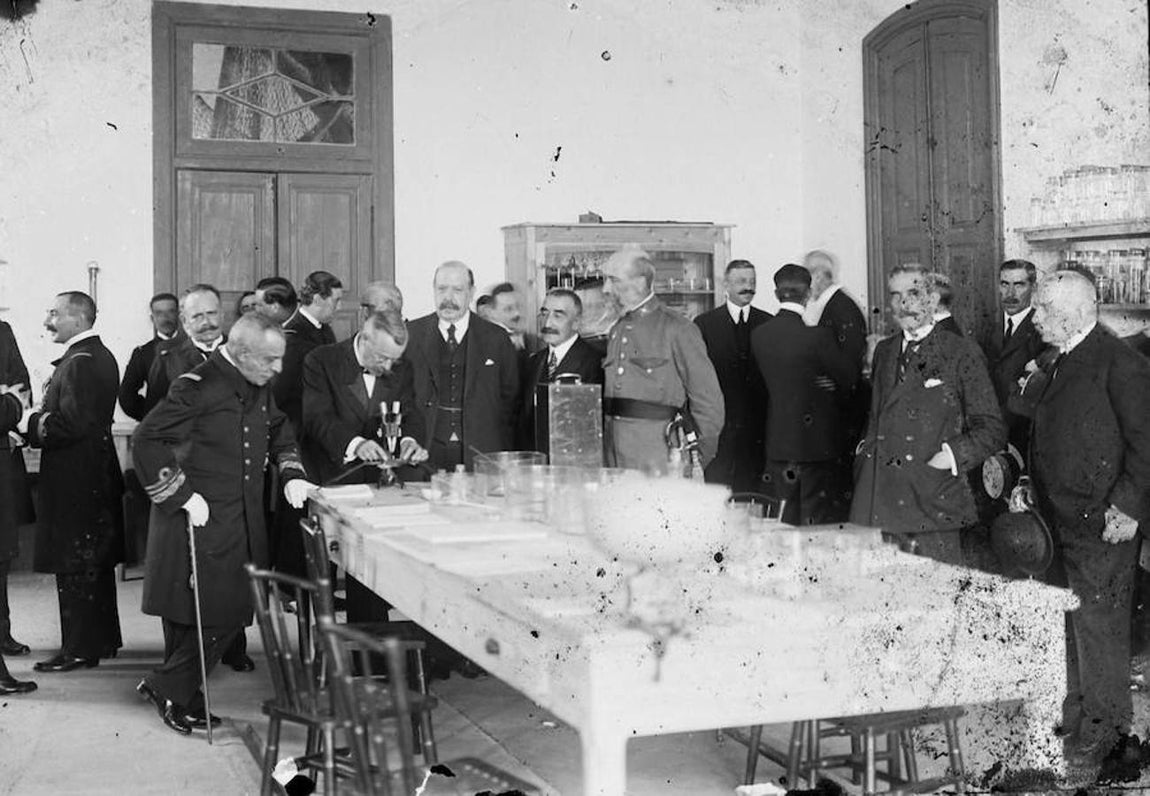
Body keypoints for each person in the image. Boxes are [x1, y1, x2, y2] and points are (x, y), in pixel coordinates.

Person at [132, 313, 315, 735]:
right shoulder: (196, 386)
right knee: (207, 613)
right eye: (270, 359)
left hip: (240, 518)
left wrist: (292, 473)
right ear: (243, 353)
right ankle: (171, 689)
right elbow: (147, 439)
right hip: (199, 518)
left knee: (226, 611)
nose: (278, 368)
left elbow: (279, 428)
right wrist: (180, 494)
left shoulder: (257, 384)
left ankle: (177, 691)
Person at [1026, 270, 1150, 769]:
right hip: (1061, 517)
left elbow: (1147, 444)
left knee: (1100, 630)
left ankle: (1107, 732)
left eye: (1042, 310)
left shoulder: (1120, 362)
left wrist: (1127, 507)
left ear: (1075, 313)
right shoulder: (1064, 358)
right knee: (1074, 626)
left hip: (1102, 522)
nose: (1034, 319)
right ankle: (1080, 718)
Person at [849, 263, 1004, 563]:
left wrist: (948, 457)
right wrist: (864, 454)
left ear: (933, 300)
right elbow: (877, 416)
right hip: (880, 497)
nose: (903, 304)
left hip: (932, 501)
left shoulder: (961, 352)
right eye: (895, 295)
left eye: (913, 293)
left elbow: (992, 429)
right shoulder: (885, 351)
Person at [19, 292, 124, 671]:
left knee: (75, 564)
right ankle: (100, 641)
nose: (49, 320)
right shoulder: (95, 356)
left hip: (76, 481)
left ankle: (79, 648)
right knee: (92, 566)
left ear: (78, 319)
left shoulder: (79, 362)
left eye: (55, 313)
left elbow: (68, 425)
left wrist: (26, 421)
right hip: (90, 476)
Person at [600, 248, 724, 474]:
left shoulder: (677, 329)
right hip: (613, 457)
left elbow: (709, 403)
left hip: (660, 459)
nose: (605, 289)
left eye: (614, 281)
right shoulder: (617, 330)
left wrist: (694, 458)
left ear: (639, 282)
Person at [753, 264, 857, 524]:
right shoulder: (817, 337)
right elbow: (848, 379)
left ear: (777, 293)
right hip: (815, 445)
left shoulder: (759, 334)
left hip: (777, 442)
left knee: (782, 520)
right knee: (814, 523)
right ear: (809, 293)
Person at [406, 261, 520, 471]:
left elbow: (510, 398)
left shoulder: (496, 338)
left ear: (471, 292)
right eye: (441, 289)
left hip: (480, 452)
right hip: (424, 452)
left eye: (457, 290)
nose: (448, 298)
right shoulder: (412, 334)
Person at [693, 260, 771, 491]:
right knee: (717, 497)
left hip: (757, 433)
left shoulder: (768, 323)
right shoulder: (704, 325)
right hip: (719, 431)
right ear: (725, 284)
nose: (748, 287)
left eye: (752, 281)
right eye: (741, 281)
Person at [802, 249, 869, 470]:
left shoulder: (842, 308)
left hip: (841, 414)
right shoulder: (835, 305)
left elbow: (848, 372)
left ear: (818, 276)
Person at [517, 288, 603, 452]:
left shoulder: (594, 363)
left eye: (558, 315)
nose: (547, 323)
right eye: (544, 313)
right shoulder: (534, 362)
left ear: (576, 322)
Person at [982, 259, 1049, 455]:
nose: (1010, 294)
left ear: (1033, 288)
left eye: (1019, 285)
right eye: (1005, 284)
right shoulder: (987, 328)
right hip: (988, 438)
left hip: (1025, 441)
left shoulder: (1045, 330)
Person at [0, 320, 35, 660]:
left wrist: (9, 401)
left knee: (2, 556)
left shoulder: (3, 330)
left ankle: (3, 632)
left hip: (2, 458)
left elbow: (22, 388)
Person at [275, 271, 342, 432]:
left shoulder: (325, 329)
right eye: (336, 300)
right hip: (300, 427)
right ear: (318, 299)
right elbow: (281, 392)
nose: (340, 307)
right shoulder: (293, 336)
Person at [147, 285, 227, 410]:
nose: (206, 322)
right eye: (197, 316)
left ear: (222, 314)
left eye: (211, 313)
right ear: (184, 321)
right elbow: (157, 410)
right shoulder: (168, 359)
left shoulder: (243, 352)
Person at [118, 292, 183, 421]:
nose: (165, 318)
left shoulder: (194, 347)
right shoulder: (143, 353)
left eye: (170, 312)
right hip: (159, 429)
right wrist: (149, 414)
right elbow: (126, 395)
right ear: (152, 318)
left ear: (179, 315)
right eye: (159, 313)